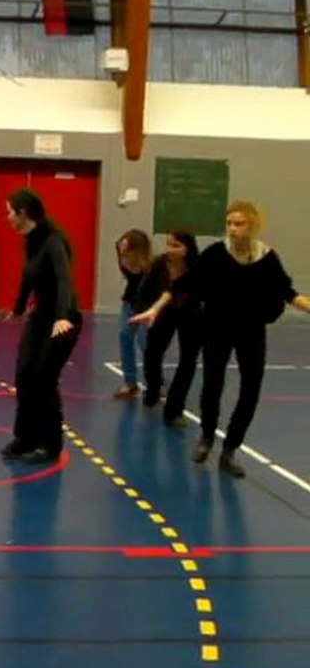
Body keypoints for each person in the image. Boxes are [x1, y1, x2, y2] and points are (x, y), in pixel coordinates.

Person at [132, 201, 310, 477]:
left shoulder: (267, 257)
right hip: (216, 327)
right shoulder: (216, 254)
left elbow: (288, 292)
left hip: (251, 330)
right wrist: (154, 309)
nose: (233, 229)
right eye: (229, 223)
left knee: (251, 390)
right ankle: (206, 437)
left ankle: (230, 450)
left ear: (252, 226)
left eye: (239, 224)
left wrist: (306, 305)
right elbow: (185, 285)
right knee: (212, 384)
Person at [0, 188, 82, 463]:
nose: (7, 217)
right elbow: (28, 275)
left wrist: (62, 316)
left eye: (10, 211)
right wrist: (18, 307)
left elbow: (63, 279)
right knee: (24, 375)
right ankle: (25, 438)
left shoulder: (53, 241)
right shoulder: (31, 240)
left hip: (62, 319)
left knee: (44, 379)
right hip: (40, 317)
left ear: (23, 213)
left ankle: (51, 445)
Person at [134, 229, 201, 426]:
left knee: (188, 360)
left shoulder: (197, 267)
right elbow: (145, 289)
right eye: (168, 244)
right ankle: (153, 389)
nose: (170, 249)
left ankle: (174, 409)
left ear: (187, 249)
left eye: (176, 245)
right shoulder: (161, 263)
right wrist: (143, 311)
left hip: (191, 314)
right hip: (162, 313)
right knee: (153, 352)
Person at [113, 229, 153, 399]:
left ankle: (155, 381)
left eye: (126, 247)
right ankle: (130, 382)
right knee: (125, 337)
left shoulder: (151, 267)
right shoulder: (124, 260)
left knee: (145, 343)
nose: (123, 251)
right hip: (130, 302)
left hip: (147, 305)